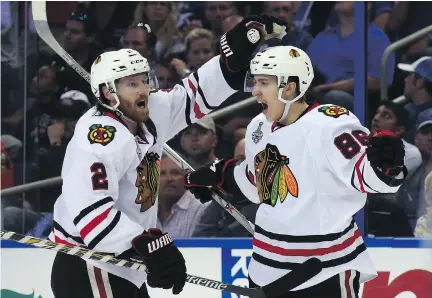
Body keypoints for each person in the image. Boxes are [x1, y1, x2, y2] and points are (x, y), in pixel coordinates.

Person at [49, 15, 286, 298]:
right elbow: (90, 210)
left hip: (122, 265)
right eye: (131, 84)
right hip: (91, 266)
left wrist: (228, 64)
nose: (143, 90)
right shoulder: (99, 138)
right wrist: (146, 243)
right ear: (107, 93)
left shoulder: (148, 111)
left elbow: (191, 97)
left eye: (143, 80)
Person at [185, 45, 406, 297]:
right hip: (265, 269)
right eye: (255, 82)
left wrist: (386, 167)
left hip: (324, 270)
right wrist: (217, 178)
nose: (255, 91)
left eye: (264, 83)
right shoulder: (259, 126)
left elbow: (368, 176)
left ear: (289, 87)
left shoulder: (331, 123)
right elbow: (257, 184)